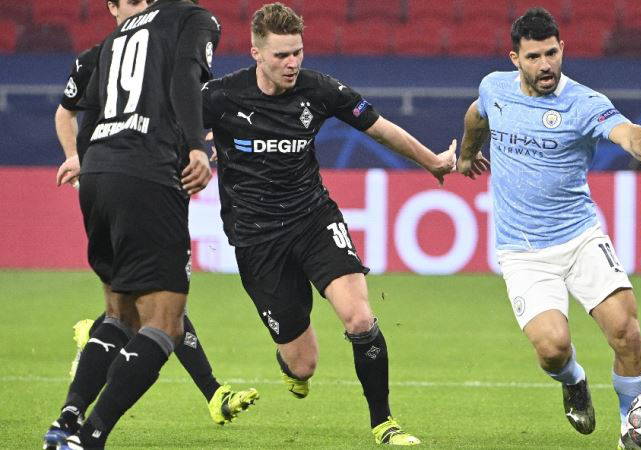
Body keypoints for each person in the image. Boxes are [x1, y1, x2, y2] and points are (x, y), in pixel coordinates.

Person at [202, 3, 455, 445]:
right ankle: (292, 366)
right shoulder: (220, 96)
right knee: (303, 364)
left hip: (313, 219)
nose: (292, 63)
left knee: (359, 318)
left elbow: (379, 128)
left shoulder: (318, 89)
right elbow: (170, 128)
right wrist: (193, 152)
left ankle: (384, 423)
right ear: (256, 53)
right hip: (257, 238)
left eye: (297, 52)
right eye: (281, 55)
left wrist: (431, 161)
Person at [456, 8, 641, 446]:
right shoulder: (494, 88)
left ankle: (632, 427)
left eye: (552, 53)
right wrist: (466, 154)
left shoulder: (584, 103)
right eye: (534, 57)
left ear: (562, 49)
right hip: (522, 251)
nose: (545, 64)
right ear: (515, 59)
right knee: (552, 349)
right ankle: (573, 380)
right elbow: (477, 114)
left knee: (626, 332)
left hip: (580, 238)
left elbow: (625, 130)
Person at [51, 0, 258, 434]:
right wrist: (196, 146)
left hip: (100, 175)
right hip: (148, 174)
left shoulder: (112, 40)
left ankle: (66, 421)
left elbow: (96, 112)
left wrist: (85, 158)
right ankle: (91, 437)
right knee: (165, 319)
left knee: (120, 314)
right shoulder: (192, 19)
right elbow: (185, 80)